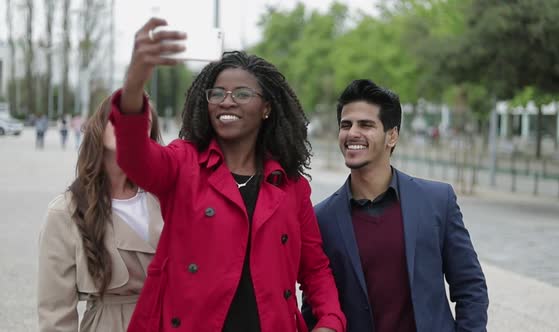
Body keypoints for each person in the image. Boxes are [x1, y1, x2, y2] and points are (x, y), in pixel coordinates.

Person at [107, 17, 345, 332]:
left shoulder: (291, 186)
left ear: (266, 108)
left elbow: (314, 268)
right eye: (216, 93)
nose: (226, 101)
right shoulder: (183, 163)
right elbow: (136, 159)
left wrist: (330, 321)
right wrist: (135, 81)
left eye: (242, 94)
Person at [302, 79, 488, 332]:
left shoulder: (437, 201)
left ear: (392, 135)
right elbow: (316, 306)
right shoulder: (321, 218)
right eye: (346, 125)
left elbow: (469, 285)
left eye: (366, 125)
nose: (352, 133)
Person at [37, 97, 164, 331]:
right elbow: (55, 313)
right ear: (98, 126)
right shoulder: (65, 212)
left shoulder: (166, 199)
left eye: (141, 122)